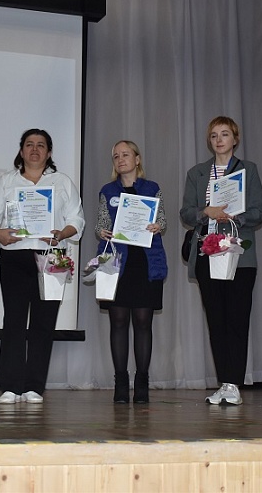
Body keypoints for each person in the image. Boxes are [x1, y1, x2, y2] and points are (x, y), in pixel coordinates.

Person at [0, 129, 85, 405]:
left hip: (51, 256)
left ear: (49, 152)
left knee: (44, 323)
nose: (35, 149)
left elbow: (77, 219)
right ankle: (10, 386)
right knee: (13, 321)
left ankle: (34, 387)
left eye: (41, 145)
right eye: (29, 144)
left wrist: (62, 234)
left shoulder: (62, 182)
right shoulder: (7, 181)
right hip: (14, 257)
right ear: (21, 151)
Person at [180, 116, 262, 405]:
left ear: (235, 139)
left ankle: (234, 384)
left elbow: (258, 212)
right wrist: (206, 212)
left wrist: (233, 217)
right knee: (216, 320)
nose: (219, 140)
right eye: (214, 135)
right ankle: (224, 383)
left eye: (225, 134)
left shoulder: (248, 170)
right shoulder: (197, 173)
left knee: (237, 319)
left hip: (240, 254)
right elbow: (186, 212)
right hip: (208, 251)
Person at [95, 141, 167, 404]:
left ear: (137, 159)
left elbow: (163, 220)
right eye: (116, 156)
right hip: (116, 262)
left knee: (143, 322)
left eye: (125, 154)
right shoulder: (107, 190)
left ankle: (143, 381)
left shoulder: (152, 188)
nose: (120, 159)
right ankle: (121, 382)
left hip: (145, 263)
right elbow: (100, 224)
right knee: (118, 322)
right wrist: (102, 231)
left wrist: (157, 225)